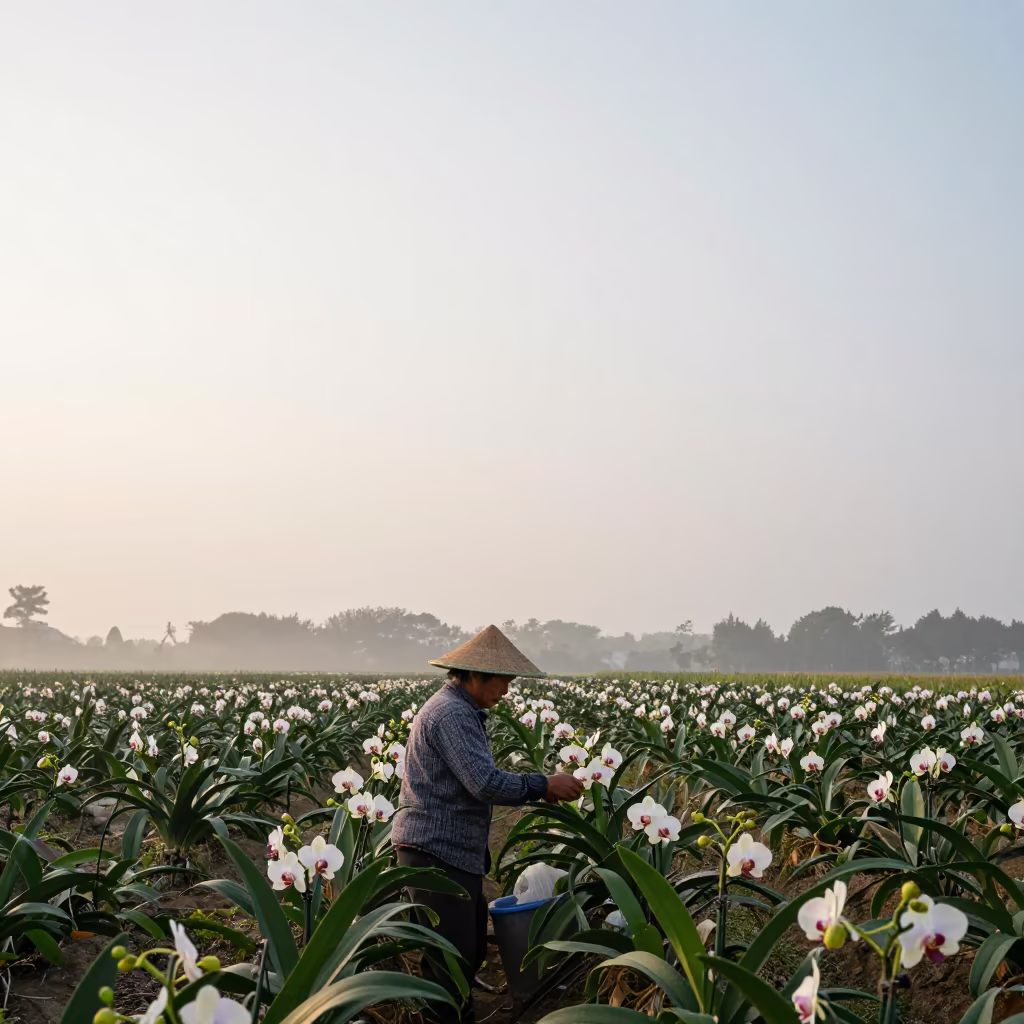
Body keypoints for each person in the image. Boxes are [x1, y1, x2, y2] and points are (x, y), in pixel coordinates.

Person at [391, 625, 584, 1023]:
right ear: (475, 675)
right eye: (503, 681)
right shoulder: (451, 714)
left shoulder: (460, 709)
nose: (507, 691)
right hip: (434, 852)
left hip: (449, 851)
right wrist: (543, 783)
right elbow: (484, 782)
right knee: (450, 960)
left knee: (470, 947)